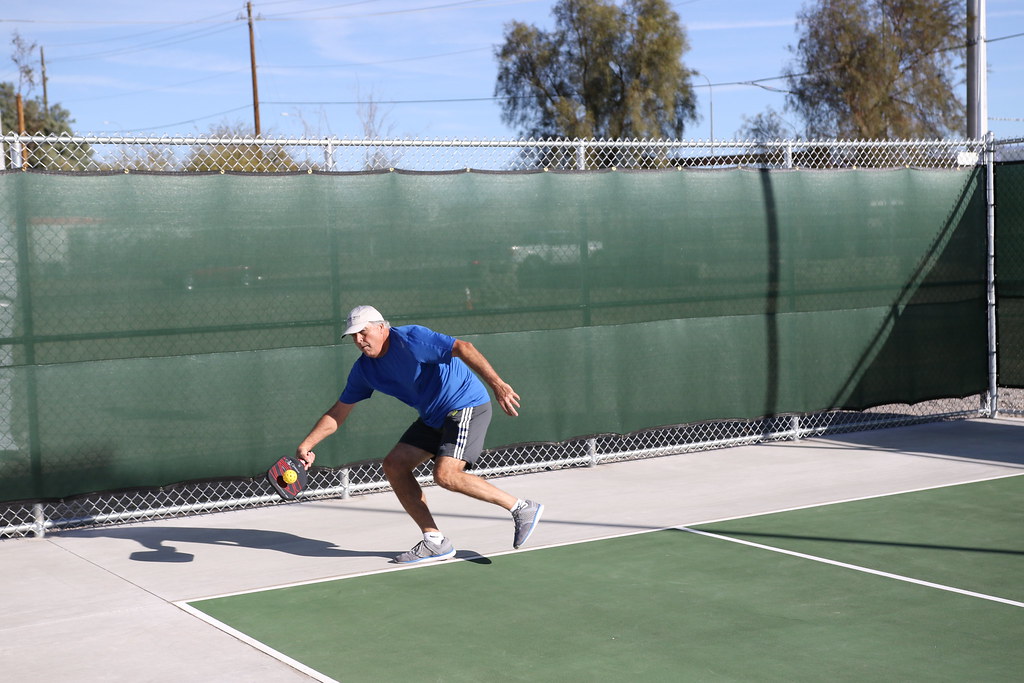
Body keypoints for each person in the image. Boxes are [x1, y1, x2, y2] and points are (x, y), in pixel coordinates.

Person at [296, 305, 544, 564]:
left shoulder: (412, 339)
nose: (359, 340)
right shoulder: (364, 370)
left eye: (363, 332)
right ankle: (435, 541)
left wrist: (498, 384)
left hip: (465, 403)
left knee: (446, 475)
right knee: (394, 465)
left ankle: (522, 508)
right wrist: (307, 445)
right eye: (353, 336)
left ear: (382, 328)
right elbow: (339, 411)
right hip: (433, 416)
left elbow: (464, 348)